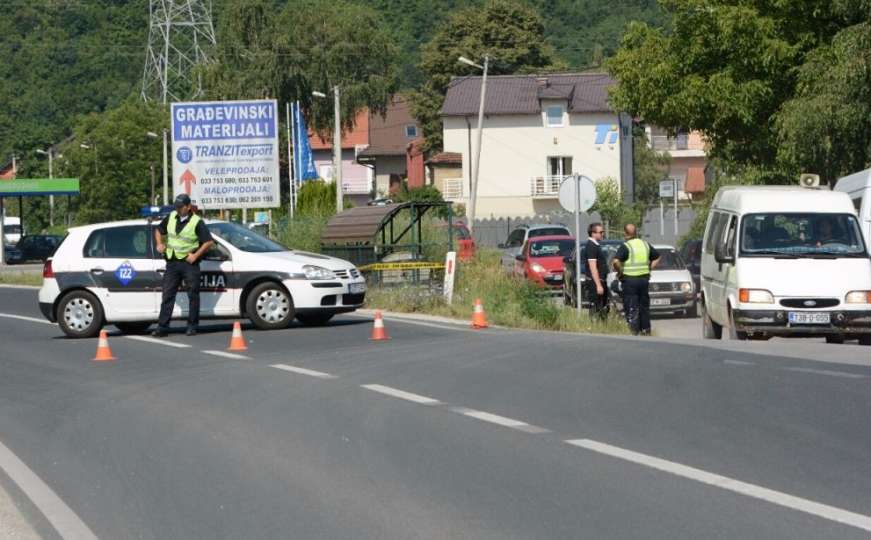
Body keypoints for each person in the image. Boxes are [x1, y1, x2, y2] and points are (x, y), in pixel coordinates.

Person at [152, 194, 214, 337]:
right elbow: (158, 230)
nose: (178, 209)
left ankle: (192, 325)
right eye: (177, 207)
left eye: (180, 207)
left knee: (192, 295)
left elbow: (208, 242)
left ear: (188, 207)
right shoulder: (172, 216)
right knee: (167, 294)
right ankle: (162, 327)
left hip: (189, 263)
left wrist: (196, 255)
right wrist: (159, 243)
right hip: (172, 262)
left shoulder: (197, 222)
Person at [612, 224, 659, 335]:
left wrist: (620, 272)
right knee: (644, 306)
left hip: (630, 280)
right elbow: (657, 257)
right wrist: (649, 268)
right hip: (644, 279)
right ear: (636, 233)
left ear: (626, 234)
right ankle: (646, 330)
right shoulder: (645, 244)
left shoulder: (626, 246)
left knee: (632, 305)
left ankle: (634, 331)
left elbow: (615, 262)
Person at [584, 222, 609, 319]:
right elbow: (593, 267)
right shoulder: (591, 246)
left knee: (602, 307)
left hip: (600, 281)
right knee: (596, 307)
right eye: (601, 232)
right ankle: (596, 327)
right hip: (595, 283)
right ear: (593, 233)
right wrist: (598, 285)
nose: (603, 234)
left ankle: (601, 326)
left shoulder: (595, 245)